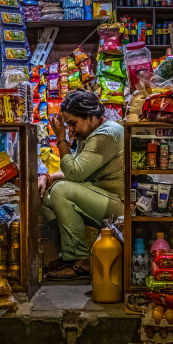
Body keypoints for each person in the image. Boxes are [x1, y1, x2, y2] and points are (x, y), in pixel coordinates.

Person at [39, 90, 124, 280]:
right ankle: (66, 255)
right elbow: (76, 169)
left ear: (91, 116)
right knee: (46, 195)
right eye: (67, 125)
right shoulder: (93, 134)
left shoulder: (107, 135)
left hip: (120, 207)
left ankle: (81, 260)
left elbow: (75, 173)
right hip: (101, 198)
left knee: (61, 190)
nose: (70, 129)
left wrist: (61, 139)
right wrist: (47, 176)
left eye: (72, 123)